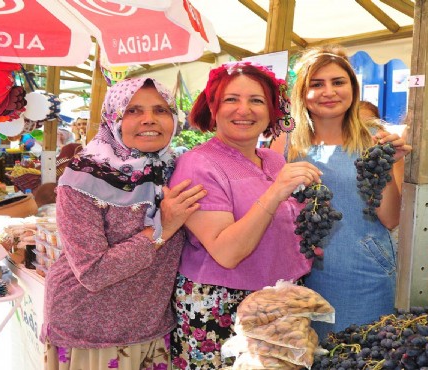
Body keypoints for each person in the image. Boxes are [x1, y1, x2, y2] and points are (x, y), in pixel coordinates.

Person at [41, 77, 206, 370]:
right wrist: (162, 228)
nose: (148, 120)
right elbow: (93, 272)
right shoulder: (82, 179)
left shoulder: (177, 169)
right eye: (132, 111)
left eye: (160, 110)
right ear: (112, 117)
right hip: (91, 331)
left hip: (153, 326)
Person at [168, 62, 320, 369]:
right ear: (213, 108)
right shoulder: (198, 165)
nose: (244, 110)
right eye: (231, 99)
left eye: (256, 100)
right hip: (224, 309)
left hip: (282, 304)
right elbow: (227, 252)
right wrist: (276, 192)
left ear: (272, 111)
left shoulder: (274, 160)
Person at [270, 45, 411, 339]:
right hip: (298, 276)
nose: (329, 92)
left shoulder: (376, 139)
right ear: (302, 93)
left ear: (352, 87)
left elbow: (391, 218)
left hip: (364, 274)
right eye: (317, 84)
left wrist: (382, 168)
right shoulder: (284, 144)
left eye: (338, 82)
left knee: (360, 354)